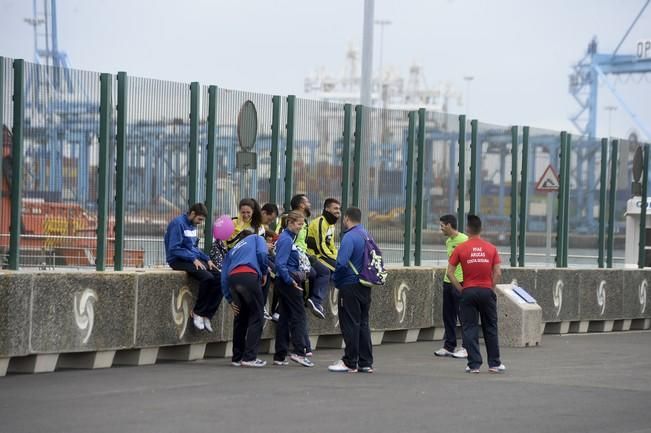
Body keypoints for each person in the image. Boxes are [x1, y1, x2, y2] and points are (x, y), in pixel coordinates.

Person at [447, 214, 505, 374]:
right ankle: (494, 363)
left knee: (469, 327)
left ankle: (474, 365)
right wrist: (491, 287)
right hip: (486, 291)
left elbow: (450, 272)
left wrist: (461, 289)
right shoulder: (491, 248)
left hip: (468, 291)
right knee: (490, 327)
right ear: (481, 229)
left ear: (467, 230)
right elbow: (498, 272)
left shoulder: (460, 248)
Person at [164, 203, 223, 332]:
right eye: (199, 219)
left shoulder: (192, 225)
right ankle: (198, 312)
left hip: (191, 258)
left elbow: (193, 248)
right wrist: (193, 259)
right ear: (192, 214)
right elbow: (174, 249)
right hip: (177, 260)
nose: (200, 222)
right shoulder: (177, 224)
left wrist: (207, 259)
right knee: (207, 277)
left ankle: (207, 315)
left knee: (220, 278)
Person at [328, 207, 374, 373]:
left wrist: (336, 280)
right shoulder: (366, 235)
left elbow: (341, 263)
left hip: (350, 283)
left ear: (346, 218)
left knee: (350, 323)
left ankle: (349, 361)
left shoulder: (350, 237)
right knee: (363, 323)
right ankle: (365, 362)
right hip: (365, 283)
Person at [220, 230, 269, 368]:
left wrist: (229, 299)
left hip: (233, 280)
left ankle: (237, 357)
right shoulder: (256, 238)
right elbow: (262, 253)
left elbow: (223, 276)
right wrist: (264, 271)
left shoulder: (233, 250)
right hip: (249, 276)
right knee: (257, 316)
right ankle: (249, 357)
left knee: (241, 317)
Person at [272, 210, 314, 368]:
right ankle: (299, 351)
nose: (300, 227)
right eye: (299, 224)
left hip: (285, 281)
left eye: (302, 225)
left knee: (284, 318)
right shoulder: (286, 240)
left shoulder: (288, 238)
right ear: (290, 223)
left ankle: (280, 355)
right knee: (299, 315)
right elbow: (280, 264)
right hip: (288, 282)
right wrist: (291, 281)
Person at [434, 214, 469, 359]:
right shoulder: (448, 241)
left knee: (464, 316)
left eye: (442, 225)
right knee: (448, 315)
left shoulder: (464, 240)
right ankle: (449, 346)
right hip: (448, 281)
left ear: (449, 225)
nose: (441, 228)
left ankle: (467, 347)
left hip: (460, 282)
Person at [306, 198, 341, 319]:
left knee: (339, 269)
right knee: (336, 270)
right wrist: (334, 259)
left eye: (339, 209)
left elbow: (330, 245)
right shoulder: (320, 222)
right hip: (313, 256)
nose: (338, 212)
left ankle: (315, 299)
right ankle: (315, 300)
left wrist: (336, 257)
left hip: (323, 255)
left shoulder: (331, 225)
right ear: (327, 209)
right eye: (335, 208)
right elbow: (321, 246)